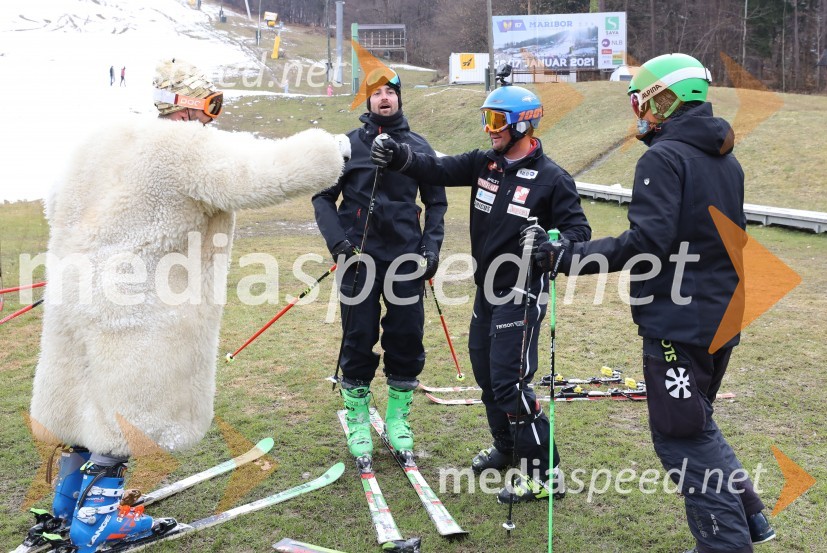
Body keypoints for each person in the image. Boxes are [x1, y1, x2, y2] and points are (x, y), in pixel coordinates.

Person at [27, 58, 350, 552]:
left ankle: (64, 511)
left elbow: (54, 204)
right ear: (190, 106)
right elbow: (257, 176)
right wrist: (330, 151)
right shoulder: (184, 148)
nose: (212, 120)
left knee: (82, 407)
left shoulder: (102, 142)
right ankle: (97, 521)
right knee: (128, 416)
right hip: (137, 306)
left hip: (76, 299)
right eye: (211, 106)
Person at [530, 53, 775, 552]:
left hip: (681, 321)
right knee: (696, 421)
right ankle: (749, 517)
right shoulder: (723, 157)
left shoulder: (662, 158)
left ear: (664, 98)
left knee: (679, 434)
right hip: (719, 313)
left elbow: (648, 242)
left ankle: (725, 544)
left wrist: (567, 257)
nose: (638, 113)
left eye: (640, 101)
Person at [370, 73, 591, 503]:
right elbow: (433, 166)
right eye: (486, 119)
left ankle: (546, 474)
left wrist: (551, 241)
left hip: (522, 295)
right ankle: (507, 449)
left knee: (510, 384)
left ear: (523, 125)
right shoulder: (483, 163)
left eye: (496, 121)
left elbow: (578, 231)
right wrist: (399, 155)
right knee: (488, 379)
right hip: (485, 291)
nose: (489, 130)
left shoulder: (552, 179)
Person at [312, 69, 447, 462]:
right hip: (359, 260)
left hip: (406, 260)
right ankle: (356, 418)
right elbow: (322, 198)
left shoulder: (420, 147)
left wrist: (432, 248)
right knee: (358, 338)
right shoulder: (347, 146)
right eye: (376, 93)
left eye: (391, 91)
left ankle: (397, 418)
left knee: (407, 338)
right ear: (367, 101)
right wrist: (339, 245)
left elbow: (436, 202)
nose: (384, 98)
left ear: (400, 98)